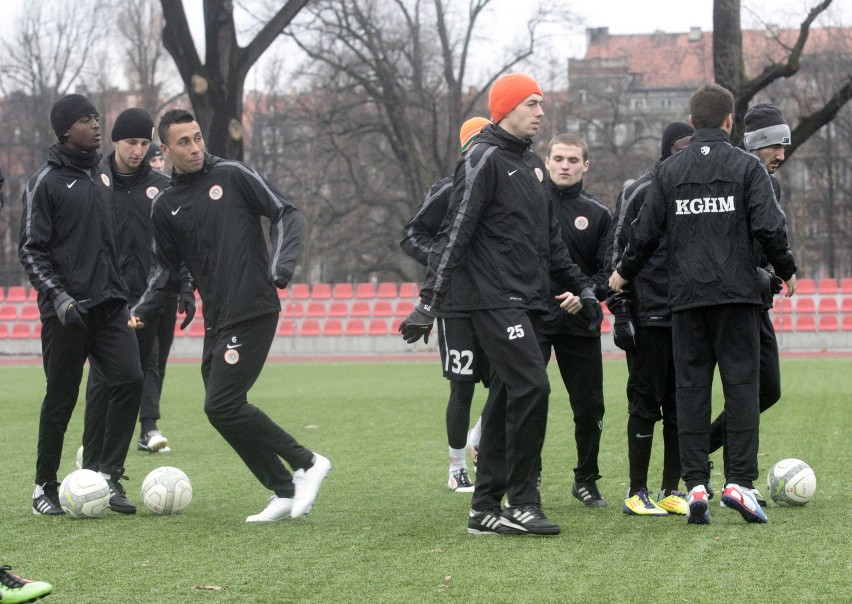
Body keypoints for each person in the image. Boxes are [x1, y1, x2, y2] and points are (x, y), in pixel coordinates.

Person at [400, 73, 602, 536]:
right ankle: (523, 500)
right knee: (533, 387)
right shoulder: (482, 157)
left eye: (541, 103)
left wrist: (584, 289)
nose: (540, 112)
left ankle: (484, 508)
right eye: (532, 103)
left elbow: (552, 243)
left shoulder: (531, 164)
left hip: (525, 299)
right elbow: (455, 232)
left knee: (509, 394)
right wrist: (429, 303)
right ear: (507, 108)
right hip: (491, 299)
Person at [609, 84, 798, 525]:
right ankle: (740, 485)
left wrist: (623, 272)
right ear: (731, 121)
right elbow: (770, 227)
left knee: (690, 391)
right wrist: (786, 269)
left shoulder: (670, 171)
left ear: (692, 123)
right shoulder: (748, 167)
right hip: (736, 298)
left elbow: (645, 231)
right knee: (742, 389)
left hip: (687, 300)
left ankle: (694, 486)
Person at [130, 108, 330, 523]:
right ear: (165, 150)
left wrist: (282, 265)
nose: (196, 147)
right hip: (218, 317)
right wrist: (142, 310)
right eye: (184, 142)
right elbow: (165, 269)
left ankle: (308, 462)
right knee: (222, 406)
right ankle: (283, 488)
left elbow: (286, 212)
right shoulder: (165, 205)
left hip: (253, 305)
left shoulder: (233, 175)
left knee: (221, 404)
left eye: (198, 137)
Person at [19, 94, 144, 516]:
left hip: (110, 307)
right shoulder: (45, 182)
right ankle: (43, 487)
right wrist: (59, 297)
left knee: (130, 380)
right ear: (65, 130)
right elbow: (31, 250)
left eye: (96, 117)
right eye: (86, 120)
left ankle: (108, 474)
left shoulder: (105, 176)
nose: (96, 125)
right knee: (61, 399)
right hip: (66, 314)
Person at [83, 109, 193, 478]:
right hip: (106, 299)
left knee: (145, 368)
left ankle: (140, 435)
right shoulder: (92, 180)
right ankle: (95, 449)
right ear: (116, 140)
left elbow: (181, 244)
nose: (138, 150)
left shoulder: (162, 186)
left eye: (145, 144)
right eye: (132, 142)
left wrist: (186, 286)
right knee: (104, 375)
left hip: (152, 297)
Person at [608, 122, 694, 517]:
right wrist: (621, 312)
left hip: (689, 316)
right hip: (648, 317)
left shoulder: (697, 190)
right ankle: (636, 491)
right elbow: (615, 255)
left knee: (682, 407)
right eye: (680, 147)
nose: (687, 154)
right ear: (666, 148)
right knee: (645, 404)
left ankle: (671, 489)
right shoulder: (640, 190)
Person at [400, 116, 491, 493]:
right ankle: (456, 467)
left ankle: (480, 436)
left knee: (512, 380)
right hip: (456, 306)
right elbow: (410, 235)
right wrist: (443, 261)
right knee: (463, 387)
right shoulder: (449, 188)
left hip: (500, 302)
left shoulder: (510, 185)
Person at [709, 102, 791, 506]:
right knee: (736, 388)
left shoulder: (770, 183)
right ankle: (725, 473)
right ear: (756, 142)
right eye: (774, 145)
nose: (781, 155)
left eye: (784, 147)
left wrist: (770, 273)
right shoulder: (735, 172)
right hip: (727, 298)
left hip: (756, 300)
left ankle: (703, 448)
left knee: (768, 389)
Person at [539, 133, 612, 507]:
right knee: (527, 400)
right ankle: (526, 478)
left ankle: (586, 479)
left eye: (572, 159)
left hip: (578, 321)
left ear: (585, 165)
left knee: (589, 406)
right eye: (558, 158)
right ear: (546, 161)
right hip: (532, 318)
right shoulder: (527, 206)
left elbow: (608, 274)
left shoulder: (599, 215)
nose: (564, 165)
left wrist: (586, 296)